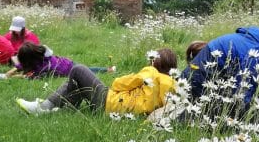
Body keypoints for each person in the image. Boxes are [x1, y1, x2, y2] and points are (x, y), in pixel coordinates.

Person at [181, 26, 259, 119]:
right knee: (247, 118)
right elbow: (240, 100)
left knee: (257, 104)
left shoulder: (255, 40)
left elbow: (250, 92)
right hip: (194, 92)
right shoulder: (255, 55)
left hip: (200, 83)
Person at [16, 48, 178, 115]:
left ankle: (45, 107)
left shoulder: (151, 72)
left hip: (109, 102)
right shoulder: (172, 85)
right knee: (77, 82)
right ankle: (57, 106)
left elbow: (117, 84)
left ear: (154, 62)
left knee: (78, 70)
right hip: (118, 109)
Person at [6, 42, 115, 78]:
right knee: (87, 69)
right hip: (67, 62)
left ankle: (108, 70)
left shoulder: (43, 68)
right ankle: (108, 69)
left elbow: (31, 76)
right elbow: (26, 67)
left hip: (69, 70)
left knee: (88, 71)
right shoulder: (40, 56)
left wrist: (15, 76)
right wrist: (13, 70)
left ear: (28, 60)